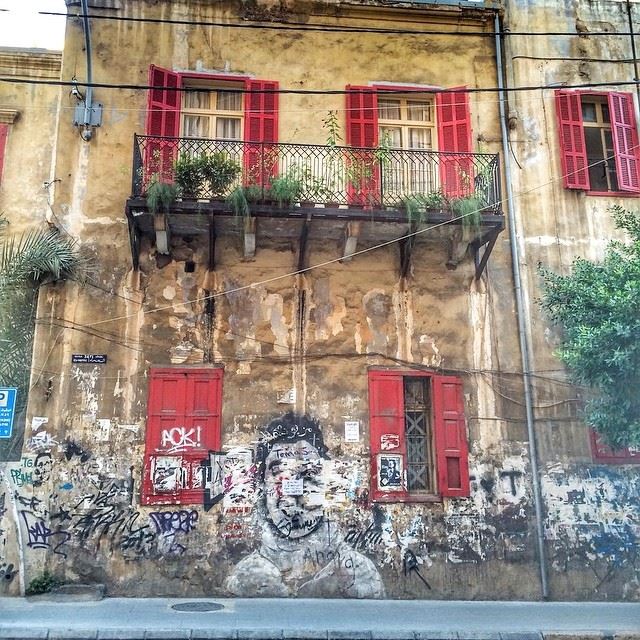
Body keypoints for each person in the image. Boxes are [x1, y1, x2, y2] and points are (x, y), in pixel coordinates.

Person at [224, 412, 385, 598]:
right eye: (277, 473)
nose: (293, 495)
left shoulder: (359, 573)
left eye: (309, 474)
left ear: (327, 484)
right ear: (261, 486)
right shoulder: (246, 576)